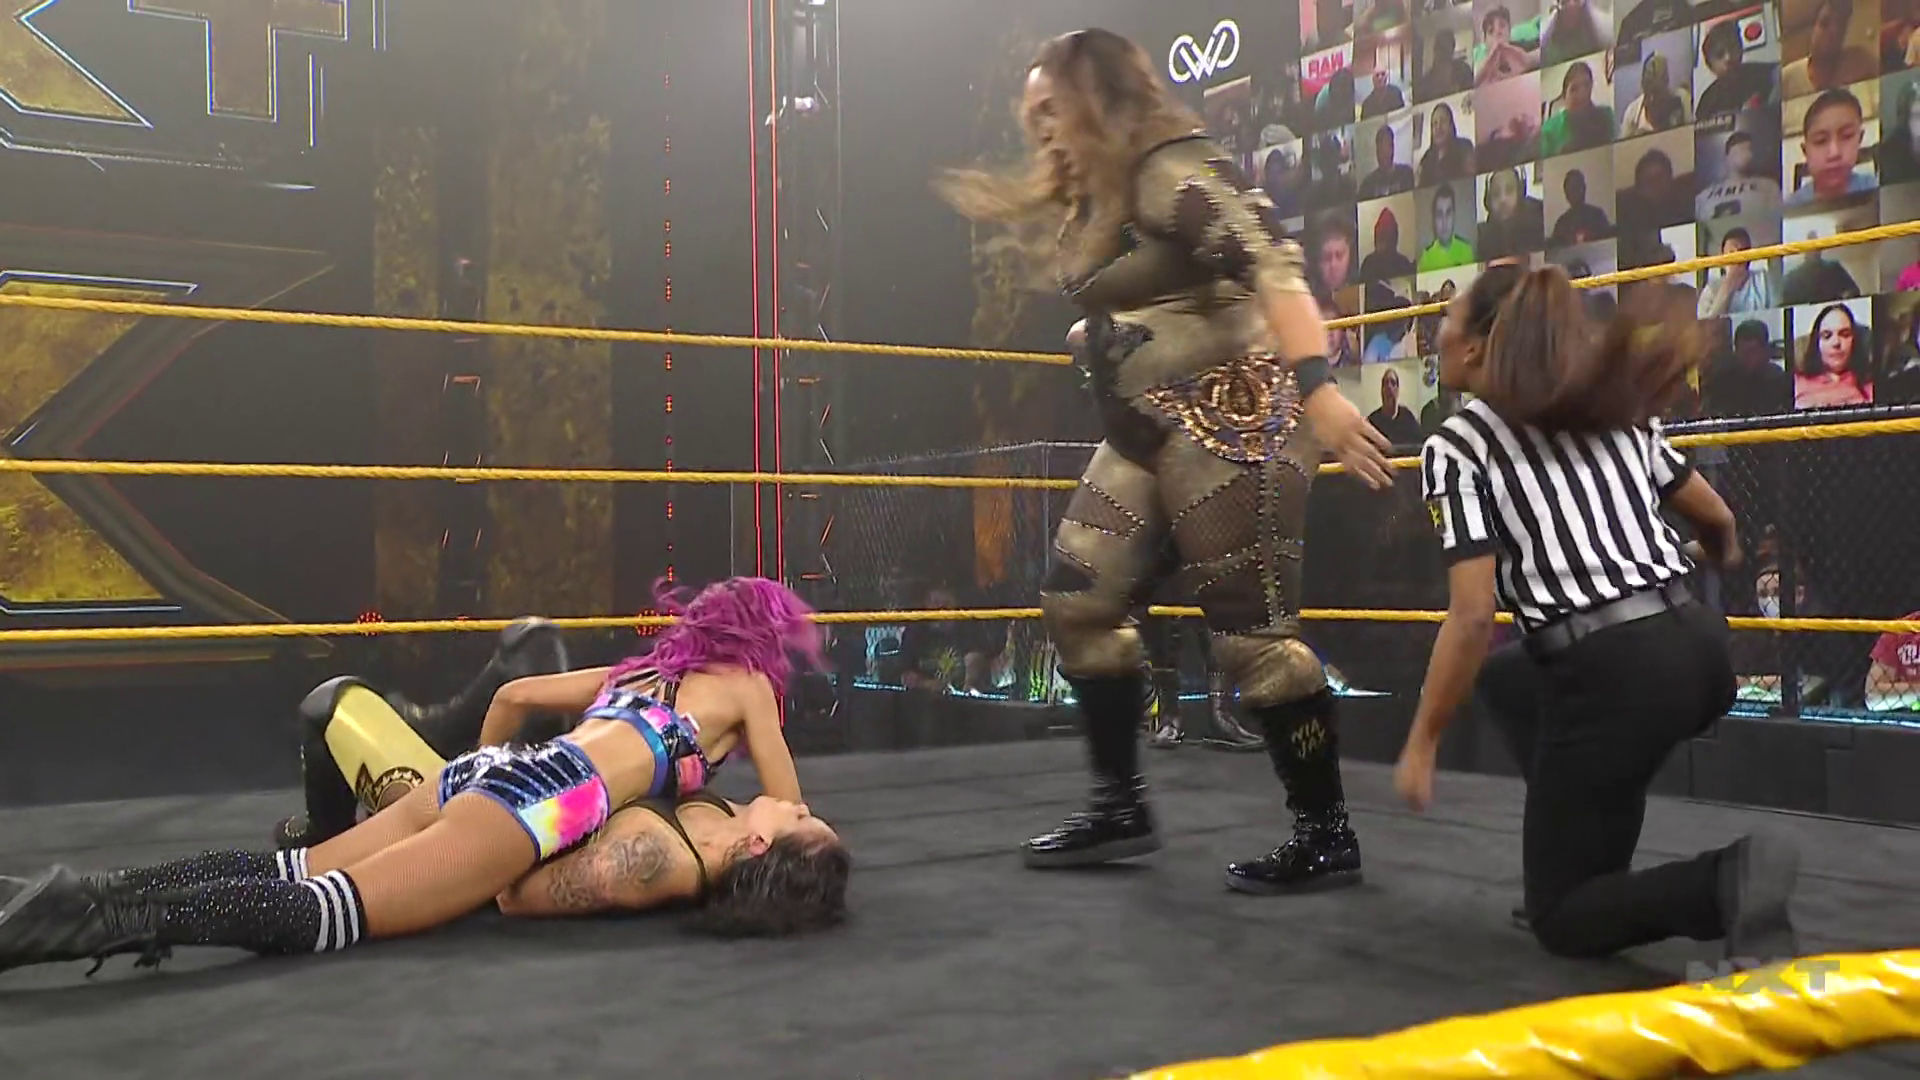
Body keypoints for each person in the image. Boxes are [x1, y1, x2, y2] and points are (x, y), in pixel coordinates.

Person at [935, 28, 1394, 893]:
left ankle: (1325, 831)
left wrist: (1322, 391)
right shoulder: (1100, 191)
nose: (1040, 130)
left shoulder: (1169, 169)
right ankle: (1120, 805)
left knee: (1252, 642)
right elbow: (1158, 292)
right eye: (1032, 115)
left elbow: (1273, 265)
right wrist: (1104, 336)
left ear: (1093, 101)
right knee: (1078, 601)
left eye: (1050, 109)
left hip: (1231, 415)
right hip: (1146, 430)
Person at [0, 578, 852, 975]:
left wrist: (476, 778)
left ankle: (77, 892)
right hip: (543, 803)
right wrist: (789, 826)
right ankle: (76, 922)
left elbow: (515, 695)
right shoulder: (747, 691)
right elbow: (789, 801)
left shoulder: (639, 674)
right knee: (326, 910)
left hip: (498, 771)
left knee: (298, 866)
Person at [1394, 262, 1800, 966]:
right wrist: (1714, 555)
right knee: (1508, 680)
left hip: (1615, 672)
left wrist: (1423, 740)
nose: (1437, 335)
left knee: (1561, 921)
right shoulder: (1611, 408)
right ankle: (1584, 847)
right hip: (1699, 650)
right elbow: (1717, 517)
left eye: (1446, 320)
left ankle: (1725, 880)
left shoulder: (1458, 445)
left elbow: (1472, 615)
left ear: (1479, 345)